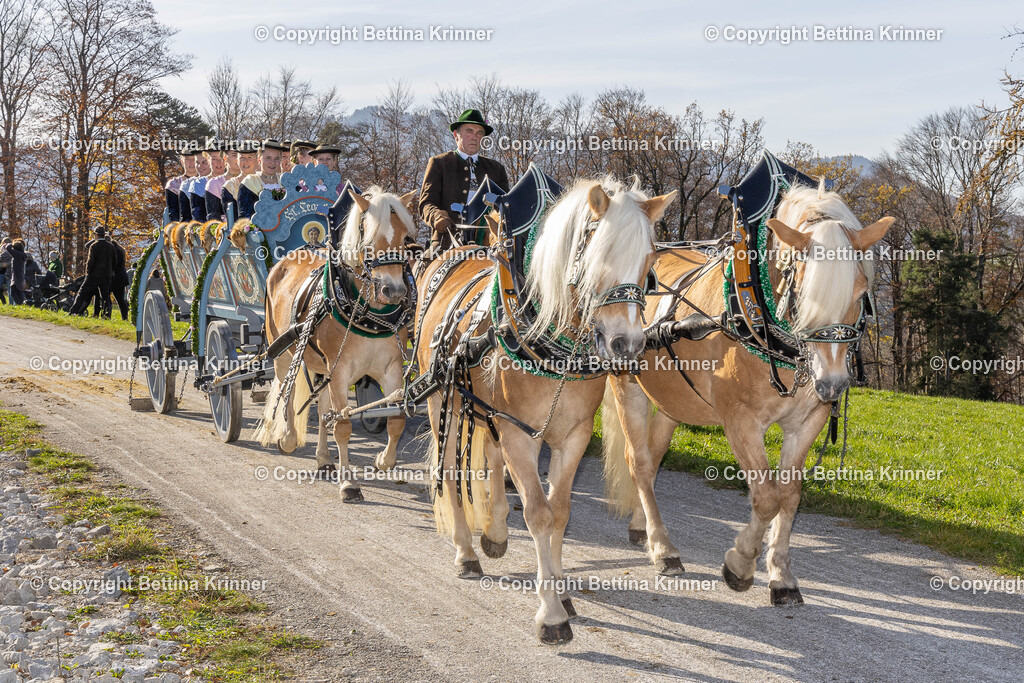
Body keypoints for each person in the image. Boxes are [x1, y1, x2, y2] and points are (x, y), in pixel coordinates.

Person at [419, 108, 509, 253]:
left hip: (490, 242)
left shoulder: (496, 169)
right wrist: (436, 216)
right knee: (428, 268)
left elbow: (506, 206)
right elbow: (426, 203)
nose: (474, 136)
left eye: (479, 133)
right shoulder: (439, 163)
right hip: (447, 240)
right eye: (469, 131)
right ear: (456, 135)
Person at [69, 226, 116, 316]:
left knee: (82, 293)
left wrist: (88, 273)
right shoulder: (111, 246)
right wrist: (110, 271)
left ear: (96, 235)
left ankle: (74, 311)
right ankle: (107, 315)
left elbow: (90, 261)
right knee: (105, 296)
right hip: (106, 275)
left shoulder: (94, 246)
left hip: (94, 275)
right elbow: (114, 261)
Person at [236, 139, 288, 219]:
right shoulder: (249, 183)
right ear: (259, 159)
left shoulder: (287, 181)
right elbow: (245, 218)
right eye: (268, 158)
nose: (272, 162)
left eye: (276, 158)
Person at [222, 140, 258, 217]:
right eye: (242, 158)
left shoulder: (264, 182)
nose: (246, 161)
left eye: (250, 157)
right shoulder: (230, 186)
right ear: (237, 161)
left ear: (257, 160)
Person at [109, 235, 129, 319]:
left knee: (105, 297)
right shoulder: (120, 251)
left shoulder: (112, 252)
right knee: (120, 300)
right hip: (121, 279)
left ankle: (107, 314)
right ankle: (124, 316)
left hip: (113, 278)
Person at [3, 238, 27, 305]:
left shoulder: (17, 254)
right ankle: (22, 303)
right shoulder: (22, 254)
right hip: (20, 275)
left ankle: (19, 303)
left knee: (13, 293)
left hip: (16, 276)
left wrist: (11, 243)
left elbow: (8, 248)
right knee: (19, 291)